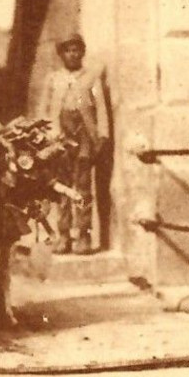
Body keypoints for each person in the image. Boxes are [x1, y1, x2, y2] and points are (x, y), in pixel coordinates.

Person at [38, 32, 109, 255]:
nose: (73, 54)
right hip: (60, 136)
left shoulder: (91, 77)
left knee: (83, 186)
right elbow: (44, 108)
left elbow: (101, 108)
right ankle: (64, 234)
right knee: (62, 186)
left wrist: (102, 135)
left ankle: (84, 234)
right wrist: (43, 135)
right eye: (68, 50)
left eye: (76, 49)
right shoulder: (53, 79)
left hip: (84, 135)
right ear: (61, 54)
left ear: (82, 52)